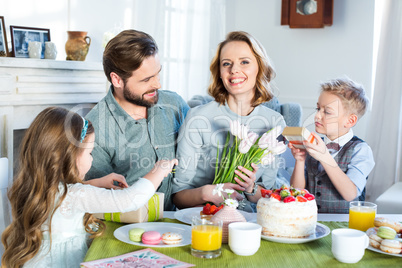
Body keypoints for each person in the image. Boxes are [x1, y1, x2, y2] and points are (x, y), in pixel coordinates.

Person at [1, 107, 177, 268]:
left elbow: (63, 197)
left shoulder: (33, 189)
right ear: (69, 157)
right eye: (89, 153)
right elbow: (130, 199)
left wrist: (97, 182)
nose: (92, 159)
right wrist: (159, 171)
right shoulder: (77, 195)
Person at [172, 31, 286, 210]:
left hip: (249, 221)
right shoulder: (197, 118)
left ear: (260, 67)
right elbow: (178, 196)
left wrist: (251, 188)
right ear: (219, 72)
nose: (234, 70)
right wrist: (207, 193)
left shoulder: (274, 122)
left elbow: (267, 192)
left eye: (244, 62)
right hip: (204, 217)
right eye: (227, 64)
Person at [85, 30, 189, 211]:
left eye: (157, 74)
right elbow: (98, 201)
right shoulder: (96, 128)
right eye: (147, 79)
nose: (158, 84)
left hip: (179, 223)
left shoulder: (175, 104)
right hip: (127, 229)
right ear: (117, 80)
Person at [289, 78, 375, 213]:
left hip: (345, 225)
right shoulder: (315, 144)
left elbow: (350, 194)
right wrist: (300, 161)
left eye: (327, 112)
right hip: (311, 222)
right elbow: (296, 192)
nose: (317, 116)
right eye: (318, 108)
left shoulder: (361, 150)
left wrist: (324, 156)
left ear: (350, 120)